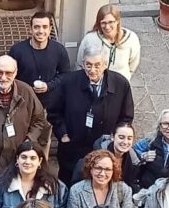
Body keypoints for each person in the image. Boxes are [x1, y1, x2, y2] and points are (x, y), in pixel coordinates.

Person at [48, 46, 135, 185]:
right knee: (69, 183)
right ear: (82, 64)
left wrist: (115, 138)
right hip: (73, 146)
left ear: (105, 65)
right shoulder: (68, 82)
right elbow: (54, 111)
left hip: (105, 149)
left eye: (97, 65)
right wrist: (63, 134)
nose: (92, 70)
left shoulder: (120, 84)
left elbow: (126, 116)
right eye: (88, 65)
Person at [0, 56, 49, 187]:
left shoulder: (26, 92)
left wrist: (29, 140)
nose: (4, 77)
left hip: (18, 161)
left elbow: (39, 120)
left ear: (15, 73)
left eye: (8, 73)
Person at [0, 140, 69, 208]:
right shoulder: (0, 185)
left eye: (33, 158)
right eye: (24, 157)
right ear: (17, 159)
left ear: (40, 161)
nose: (27, 162)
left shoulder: (56, 187)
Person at [8, 10, 69, 112]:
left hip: (52, 106)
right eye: (36, 27)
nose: (40, 31)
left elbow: (66, 74)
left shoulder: (59, 50)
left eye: (44, 27)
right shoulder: (17, 50)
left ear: (50, 29)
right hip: (24, 104)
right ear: (30, 29)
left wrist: (49, 86)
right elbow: (10, 75)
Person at [67, 149, 135, 208]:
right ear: (90, 169)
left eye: (107, 169)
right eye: (98, 168)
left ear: (113, 171)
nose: (102, 173)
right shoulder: (76, 190)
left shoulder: (123, 190)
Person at [76, 4, 141, 81]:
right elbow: (80, 63)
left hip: (120, 84)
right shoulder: (89, 39)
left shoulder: (131, 39)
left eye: (110, 22)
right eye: (103, 23)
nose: (107, 27)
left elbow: (133, 64)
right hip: (95, 84)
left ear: (117, 21)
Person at [72, 121, 142, 191]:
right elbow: (78, 179)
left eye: (129, 138)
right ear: (112, 137)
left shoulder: (134, 160)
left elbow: (132, 184)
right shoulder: (95, 156)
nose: (125, 142)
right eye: (121, 137)